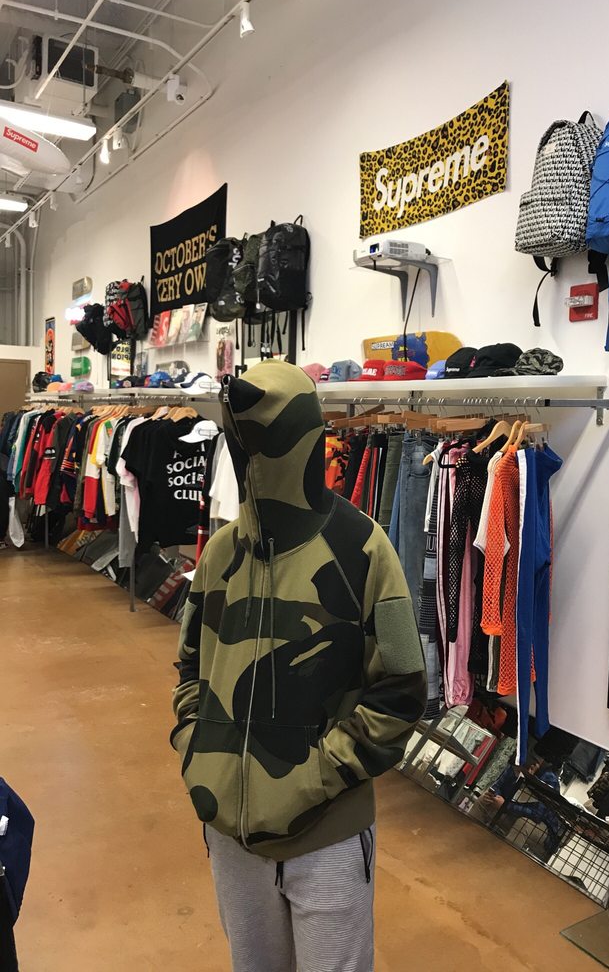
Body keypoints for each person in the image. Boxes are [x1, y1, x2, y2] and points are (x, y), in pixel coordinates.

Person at [171, 360, 427, 972]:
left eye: (263, 435)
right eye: (240, 437)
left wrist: (316, 775)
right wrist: (196, 747)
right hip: (230, 835)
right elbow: (189, 667)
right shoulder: (220, 554)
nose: (250, 453)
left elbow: (402, 689)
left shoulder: (362, 549)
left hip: (328, 836)